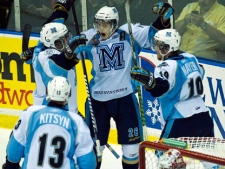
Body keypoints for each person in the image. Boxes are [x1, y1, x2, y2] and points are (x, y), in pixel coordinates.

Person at [79, 3, 174, 169]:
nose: (101, 27)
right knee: (94, 150)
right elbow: (67, 55)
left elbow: (154, 33)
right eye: (99, 23)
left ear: (114, 24)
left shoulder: (129, 33)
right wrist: (75, 46)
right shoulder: (89, 37)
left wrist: (164, 18)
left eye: (105, 24)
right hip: (97, 102)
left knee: (132, 150)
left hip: (125, 100)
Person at [130, 28, 214, 140]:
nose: (155, 48)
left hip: (180, 120)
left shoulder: (167, 66)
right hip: (204, 117)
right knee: (208, 156)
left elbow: (160, 88)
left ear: (165, 48)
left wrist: (148, 81)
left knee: (163, 155)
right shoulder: (191, 58)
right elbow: (200, 72)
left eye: (157, 45)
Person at [3, 76, 96, 169]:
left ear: (47, 91)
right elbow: (88, 164)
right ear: (68, 94)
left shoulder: (30, 114)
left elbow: (13, 152)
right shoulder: (77, 122)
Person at [20, 0, 87, 114]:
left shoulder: (46, 41)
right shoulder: (45, 57)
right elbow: (57, 66)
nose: (68, 40)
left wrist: (64, 4)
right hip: (49, 111)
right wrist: (71, 53)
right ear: (56, 43)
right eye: (65, 38)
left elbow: (56, 18)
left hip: (68, 109)